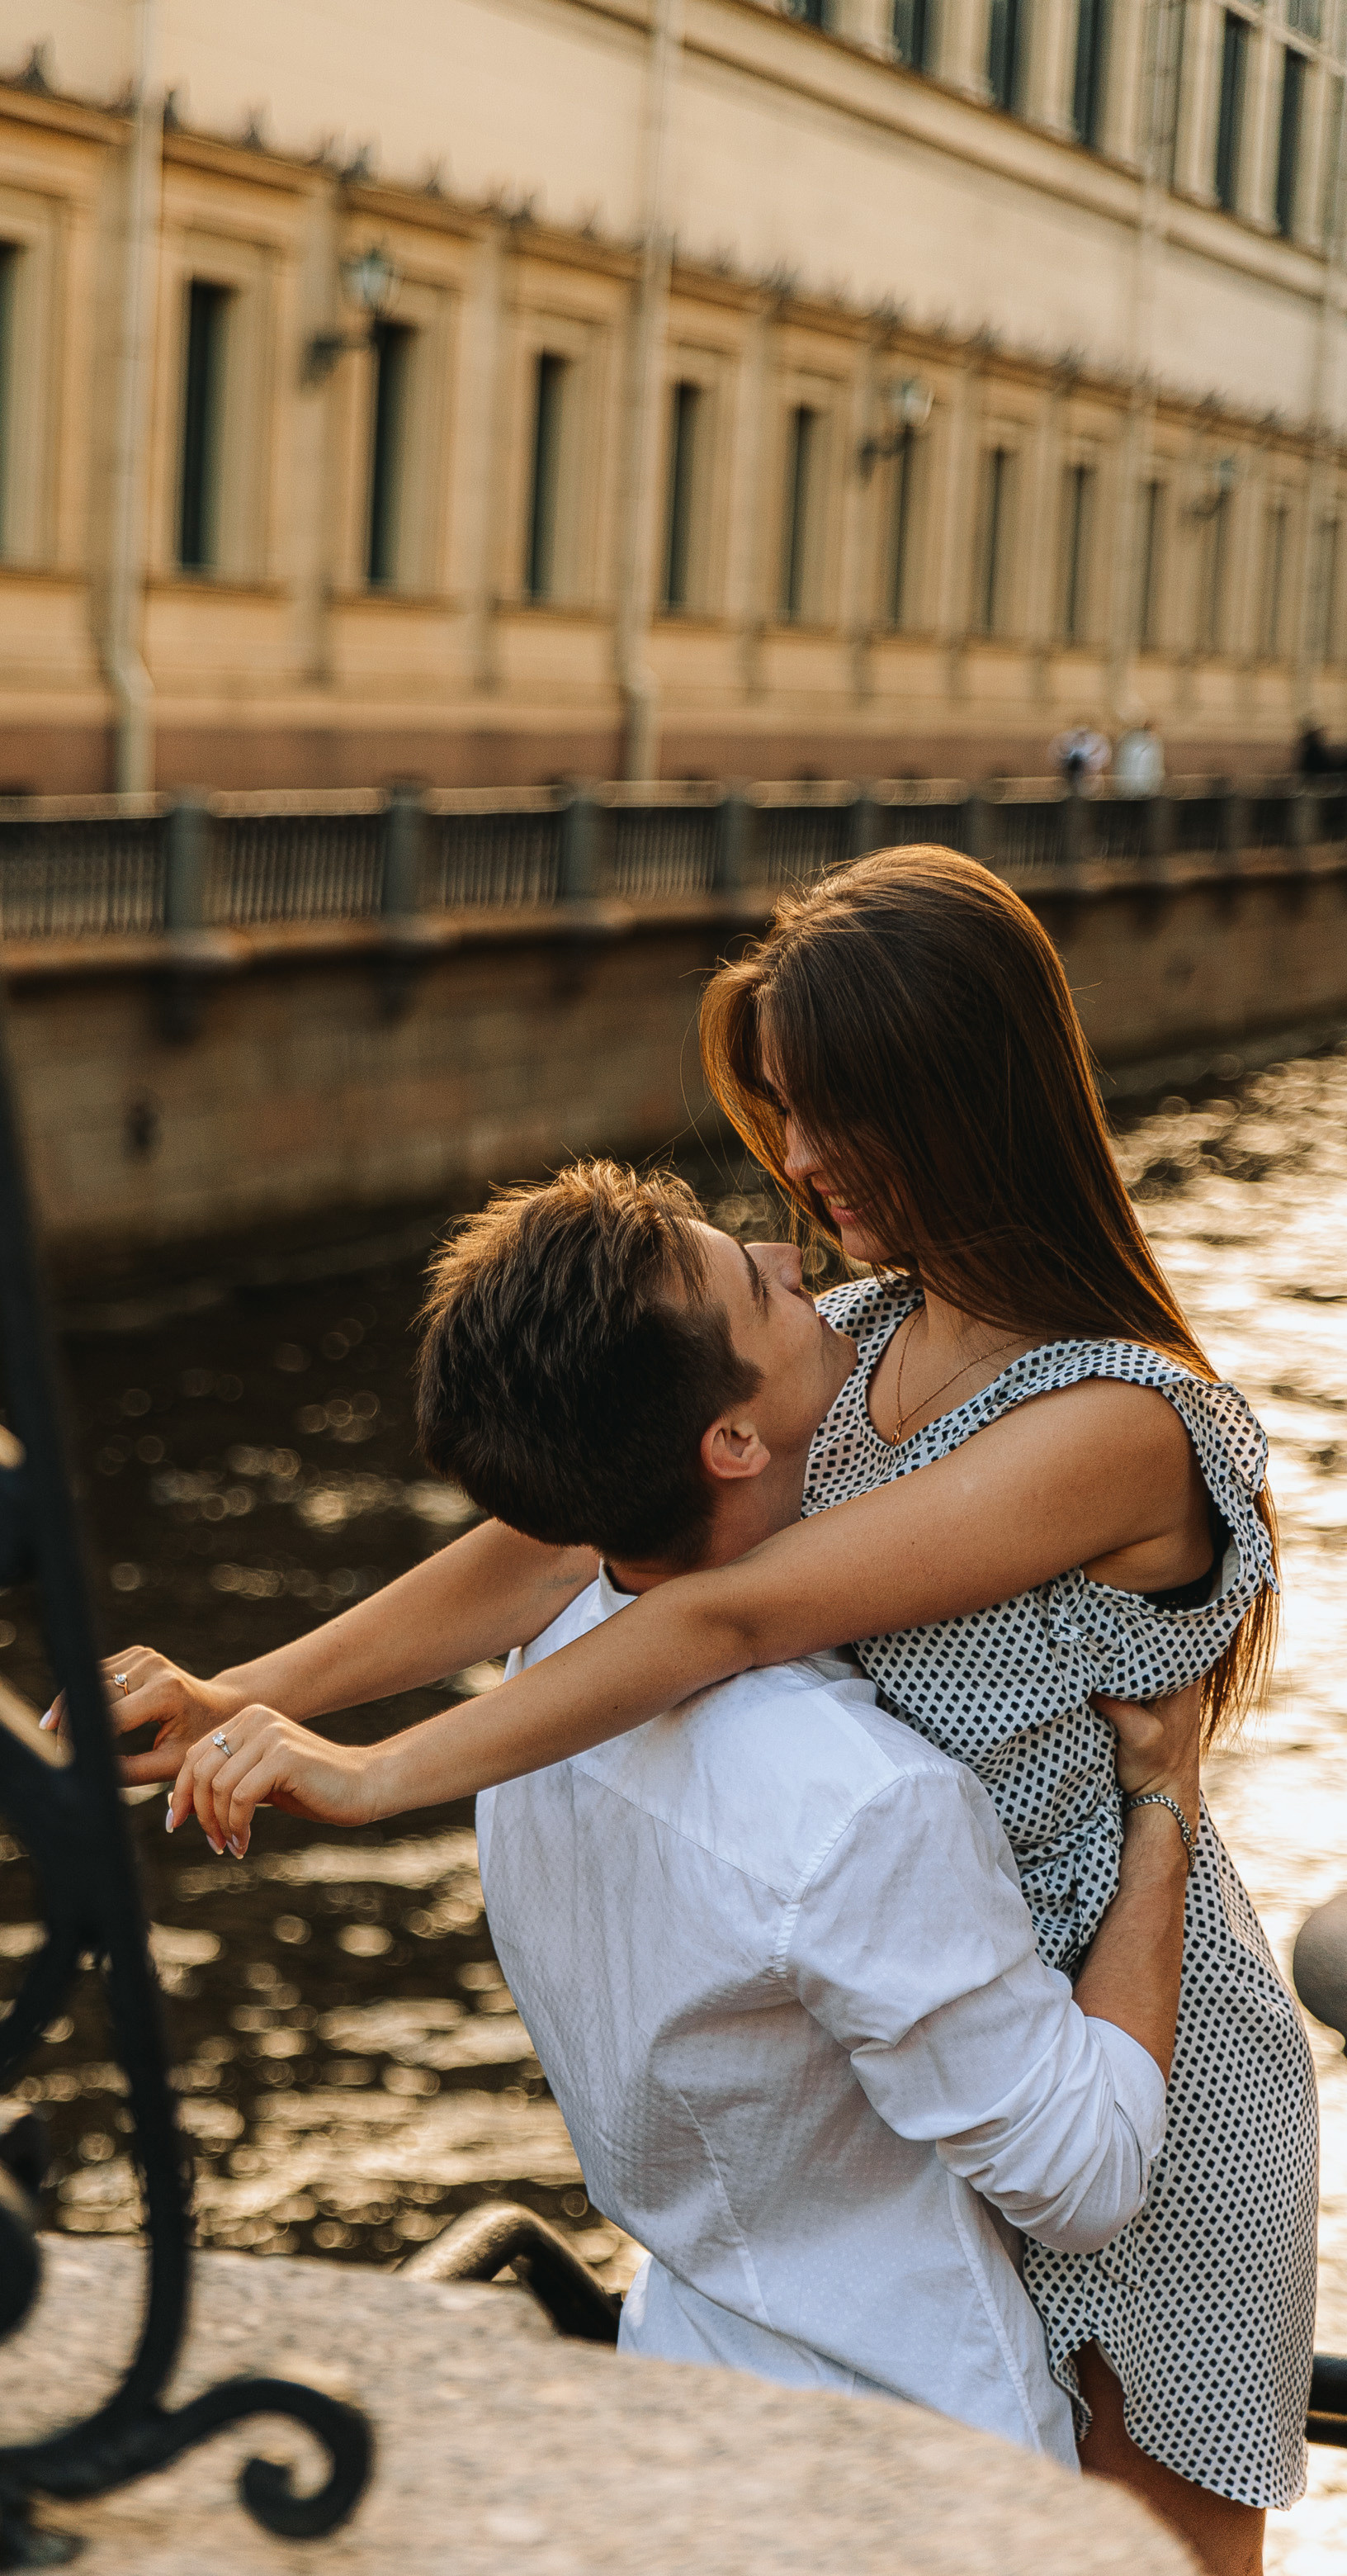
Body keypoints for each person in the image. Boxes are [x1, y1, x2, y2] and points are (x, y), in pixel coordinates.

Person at [82, 850, 1315, 2576]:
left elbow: (722, 1612)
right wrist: (251, 1691)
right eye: (785, 1115)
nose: (791, 1169)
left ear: (959, 1103)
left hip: (1139, 2075)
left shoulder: (1109, 1419)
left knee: (1140, 2564)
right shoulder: (860, 1331)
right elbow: (548, 1545)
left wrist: (371, 1781)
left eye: (831, 1119)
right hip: (933, 2056)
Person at [414, 1162, 1197, 2463]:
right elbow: (1085, 2174)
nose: (793, 1264)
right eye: (751, 1287)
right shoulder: (860, 1803)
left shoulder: (536, 1681)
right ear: (730, 1442)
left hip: (689, 2388)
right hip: (921, 2467)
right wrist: (1163, 1804)